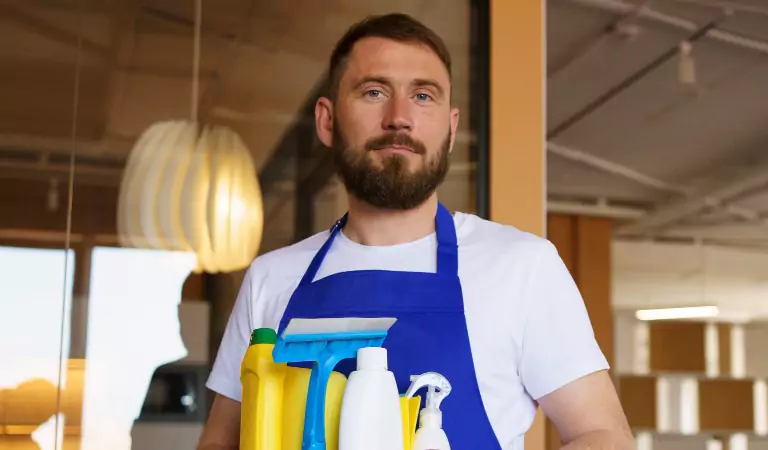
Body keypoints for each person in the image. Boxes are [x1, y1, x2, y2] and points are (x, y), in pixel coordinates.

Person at [197, 13, 634, 450]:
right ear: (327, 121)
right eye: (374, 92)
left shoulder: (521, 266)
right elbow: (219, 444)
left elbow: (604, 436)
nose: (399, 117)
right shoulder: (271, 279)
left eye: (423, 95)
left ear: (451, 127)